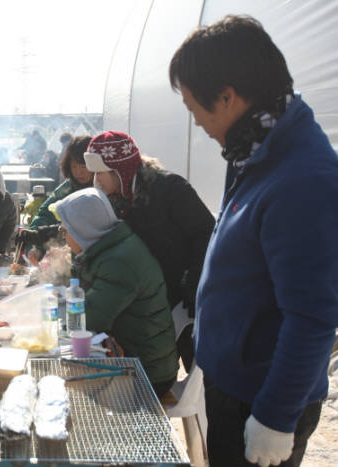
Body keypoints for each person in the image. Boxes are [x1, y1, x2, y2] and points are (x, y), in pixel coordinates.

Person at [169, 15, 338, 467]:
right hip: (233, 383)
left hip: (262, 400)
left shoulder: (304, 179)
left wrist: (275, 418)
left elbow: (314, 318)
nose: (198, 123)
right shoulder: (251, 149)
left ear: (227, 97)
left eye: (194, 109)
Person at [84, 131, 213, 372]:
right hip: (149, 297)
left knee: (195, 364)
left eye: (100, 173)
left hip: (182, 295)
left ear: (119, 170)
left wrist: (192, 277)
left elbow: (206, 231)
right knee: (156, 362)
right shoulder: (119, 196)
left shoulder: (170, 188)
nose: (96, 180)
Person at [53, 188, 178, 397]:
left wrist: (55, 306)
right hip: (135, 357)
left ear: (84, 229)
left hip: (146, 372)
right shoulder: (110, 247)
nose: (63, 236)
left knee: (67, 388)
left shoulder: (119, 262)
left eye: (65, 230)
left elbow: (91, 318)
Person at [15, 136, 93, 260]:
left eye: (83, 167)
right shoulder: (67, 188)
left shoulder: (103, 188)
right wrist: (36, 248)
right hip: (67, 259)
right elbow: (44, 216)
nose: (79, 172)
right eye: (74, 167)